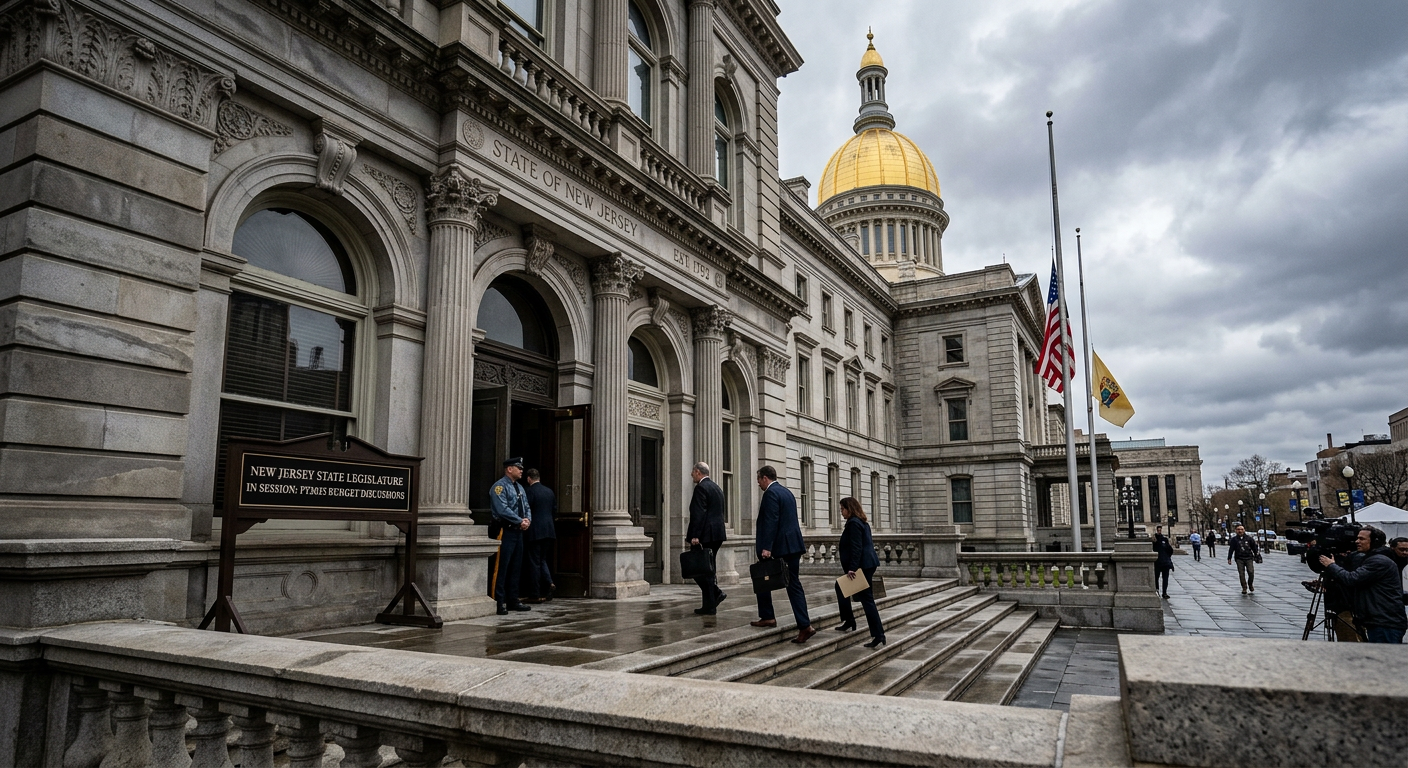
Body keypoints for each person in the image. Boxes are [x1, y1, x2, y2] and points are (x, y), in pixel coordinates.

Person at [751, 465, 814, 643]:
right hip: (792, 546)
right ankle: (768, 616)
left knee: (785, 583)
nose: (758, 484)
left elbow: (771, 521)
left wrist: (767, 547)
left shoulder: (770, 494)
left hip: (781, 547)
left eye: (758, 480)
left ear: (765, 478)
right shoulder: (787, 492)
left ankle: (804, 626)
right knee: (784, 582)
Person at [1318, 527, 1407, 643]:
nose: (1357, 541)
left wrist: (1331, 565)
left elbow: (1351, 579)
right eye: (1357, 538)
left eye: (1362, 539)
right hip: (1380, 620)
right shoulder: (1373, 558)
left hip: (1385, 621)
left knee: (1383, 658)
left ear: (1374, 542)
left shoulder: (1379, 561)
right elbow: (1357, 581)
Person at [834, 497, 885, 648]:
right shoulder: (860, 522)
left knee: (866, 599)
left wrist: (853, 568)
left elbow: (857, 547)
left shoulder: (854, 524)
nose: (841, 512)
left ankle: (878, 635)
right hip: (867, 564)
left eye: (842, 509)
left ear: (849, 509)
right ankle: (849, 620)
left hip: (862, 566)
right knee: (841, 587)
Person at [489, 457, 532, 615]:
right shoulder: (499, 487)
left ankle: (513, 599)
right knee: (502, 566)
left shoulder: (520, 487)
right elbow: (502, 509)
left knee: (516, 566)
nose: (521, 471)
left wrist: (527, 520)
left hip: (518, 531)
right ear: (509, 469)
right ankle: (498, 601)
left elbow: (526, 506)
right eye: (518, 468)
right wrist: (520, 520)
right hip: (505, 530)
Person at [686, 461, 728, 615]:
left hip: (705, 534)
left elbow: (699, 513)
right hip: (717, 534)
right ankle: (709, 605)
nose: (691, 475)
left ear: (698, 472)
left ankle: (715, 594)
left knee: (698, 569)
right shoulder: (716, 487)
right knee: (708, 569)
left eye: (692, 471)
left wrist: (695, 535)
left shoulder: (701, 488)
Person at [521, 468, 557, 604]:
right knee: (542, 560)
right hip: (549, 531)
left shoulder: (529, 491)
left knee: (534, 562)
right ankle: (549, 583)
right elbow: (554, 510)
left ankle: (534, 593)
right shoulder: (549, 492)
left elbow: (526, 509)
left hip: (535, 532)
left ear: (529, 479)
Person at [1227, 524, 1259, 594]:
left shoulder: (1249, 539)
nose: (1240, 531)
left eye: (1241, 529)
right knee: (1241, 574)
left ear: (1244, 530)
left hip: (1249, 558)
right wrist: (1229, 558)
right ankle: (1244, 587)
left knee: (1251, 572)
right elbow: (1231, 549)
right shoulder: (1234, 540)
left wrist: (1256, 554)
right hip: (1239, 558)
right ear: (1236, 531)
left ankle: (1250, 584)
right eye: (1238, 529)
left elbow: (1254, 547)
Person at [1153, 525, 1174, 598]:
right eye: (1158, 530)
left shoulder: (1163, 539)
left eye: (1160, 530)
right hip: (1159, 562)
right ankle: (1159, 591)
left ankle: (1163, 592)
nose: (1159, 531)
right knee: (1157, 577)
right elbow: (1170, 550)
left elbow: (1170, 550)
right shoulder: (1157, 541)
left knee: (1163, 578)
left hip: (1162, 562)